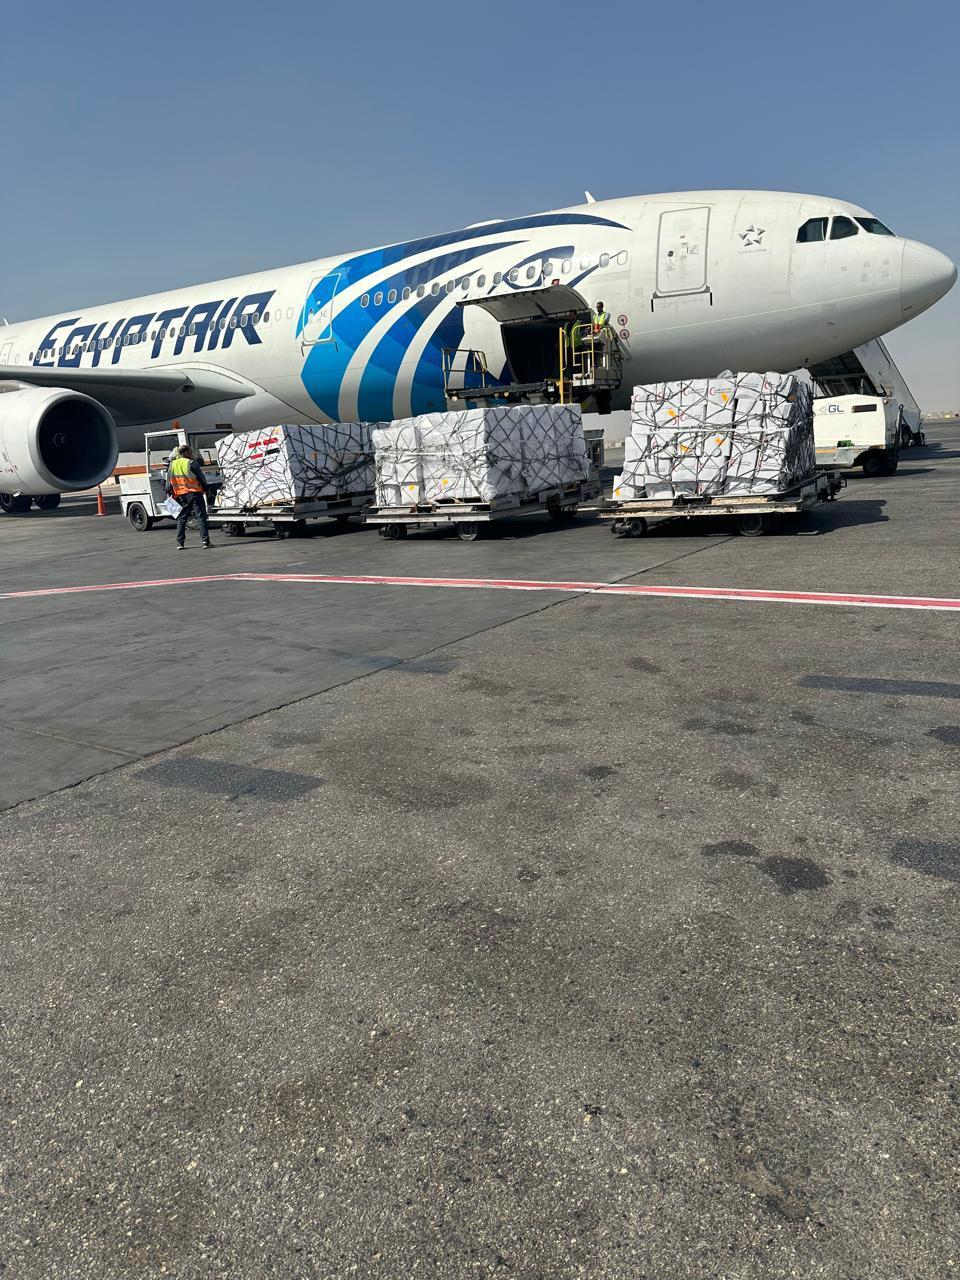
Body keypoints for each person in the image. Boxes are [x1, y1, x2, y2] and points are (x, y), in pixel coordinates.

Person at [166, 444, 213, 549]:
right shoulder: (191, 463)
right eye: (190, 452)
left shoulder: (172, 465)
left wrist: (169, 494)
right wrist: (207, 490)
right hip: (194, 493)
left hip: (180, 495)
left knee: (181, 519)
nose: (192, 454)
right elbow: (201, 478)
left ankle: (180, 543)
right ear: (186, 452)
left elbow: (168, 482)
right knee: (201, 517)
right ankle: (205, 542)